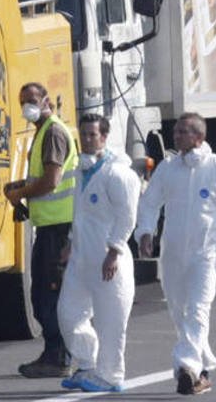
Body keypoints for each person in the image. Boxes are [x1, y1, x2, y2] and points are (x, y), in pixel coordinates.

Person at [135, 113, 216, 396]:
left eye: (183, 132)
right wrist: (145, 232)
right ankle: (201, 369)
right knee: (180, 312)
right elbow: (149, 203)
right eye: (176, 131)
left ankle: (186, 367)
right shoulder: (168, 169)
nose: (176, 136)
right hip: (172, 255)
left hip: (205, 255)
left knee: (198, 309)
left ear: (199, 137)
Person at [57, 113, 140, 393]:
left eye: (93, 135)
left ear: (105, 137)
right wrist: (70, 242)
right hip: (82, 258)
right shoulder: (82, 169)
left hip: (109, 261)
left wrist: (114, 251)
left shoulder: (118, 173)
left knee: (110, 322)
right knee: (68, 313)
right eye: (84, 135)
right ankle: (87, 364)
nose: (88, 140)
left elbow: (127, 216)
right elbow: (80, 212)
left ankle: (112, 375)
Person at [5, 82, 78, 378]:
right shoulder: (43, 131)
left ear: (47, 100)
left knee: (48, 295)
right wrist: (21, 191)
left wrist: (21, 192)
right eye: (23, 101)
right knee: (45, 295)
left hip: (58, 229)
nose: (27, 106)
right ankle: (56, 354)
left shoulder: (53, 132)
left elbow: (50, 181)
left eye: (32, 100)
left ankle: (58, 357)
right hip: (49, 226)